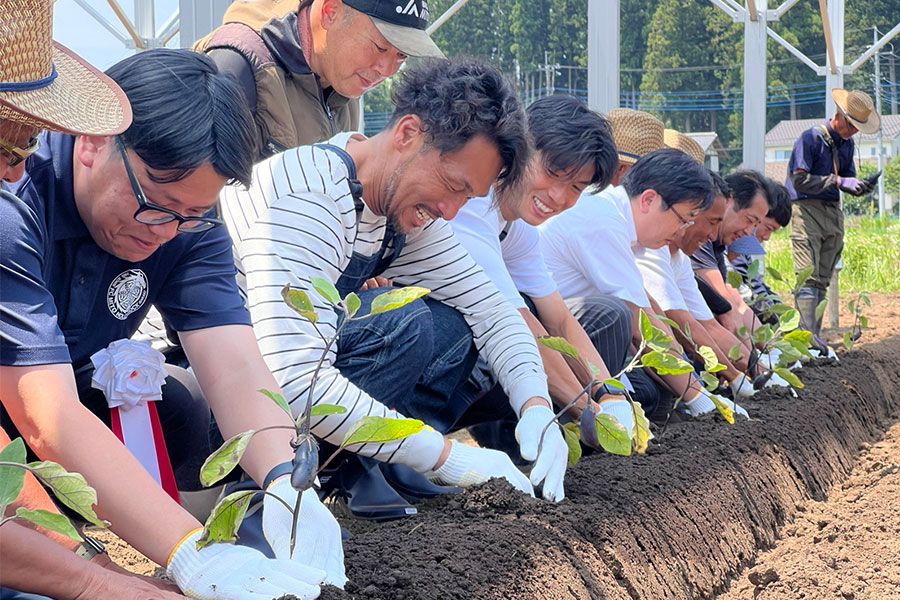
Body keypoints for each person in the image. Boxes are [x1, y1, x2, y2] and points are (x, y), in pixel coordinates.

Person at [0, 42, 339, 598]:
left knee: (182, 407)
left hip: (67, 388)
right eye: (155, 203)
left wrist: (285, 483)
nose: (164, 230)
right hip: (25, 404)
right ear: (92, 141)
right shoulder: (15, 197)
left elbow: (233, 363)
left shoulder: (186, 223)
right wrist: (189, 552)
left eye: (192, 213)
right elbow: (47, 416)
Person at [220, 57, 571, 504]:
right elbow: (293, 376)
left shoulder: (403, 215)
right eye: (453, 183)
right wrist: (445, 456)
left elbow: (492, 311)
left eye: (468, 196)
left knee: (453, 326)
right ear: (408, 134)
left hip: (282, 389)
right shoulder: (310, 195)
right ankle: (261, 492)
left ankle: (353, 467)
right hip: (216, 405)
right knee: (403, 323)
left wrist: (536, 408)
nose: (451, 210)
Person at [447, 94, 643, 445]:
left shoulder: (518, 229)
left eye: (576, 187)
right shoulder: (472, 206)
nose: (557, 196)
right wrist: (588, 411)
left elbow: (559, 319)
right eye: (552, 173)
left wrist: (611, 391)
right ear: (520, 147)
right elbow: (520, 323)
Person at [540, 148, 748, 419]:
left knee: (649, 392)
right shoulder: (601, 219)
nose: (681, 231)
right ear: (649, 200)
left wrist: (696, 388)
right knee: (612, 314)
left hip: (568, 341)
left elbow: (650, 308)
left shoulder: (625, 228)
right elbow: (642, 322)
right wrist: (698, 397)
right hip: (542, 346)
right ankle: (577, 421)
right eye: (683, 219)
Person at [195, 0, 443, 157]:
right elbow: (199, 215)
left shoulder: (343, 76)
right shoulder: (236, 67)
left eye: (401, 55)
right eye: (379, 47)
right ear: (330, 12)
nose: (387, 70)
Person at [635, 169, 759, 400]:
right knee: (649, 393)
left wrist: (756, 372)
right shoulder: (654, 247)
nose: (713, 236)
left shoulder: (680, 258)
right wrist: (731, 377)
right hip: (625, 353)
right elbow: (679, 320)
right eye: (711, 223)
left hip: (662, 352)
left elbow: (707, 326)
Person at [786, 88, 881, 335]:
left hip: (832, 212)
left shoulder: (846, 145)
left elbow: (847, 180)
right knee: (807, 275)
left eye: (857, 128)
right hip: (806, 211)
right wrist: (838, 182)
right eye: (851, 125)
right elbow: (799, 180)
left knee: (822, 278)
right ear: (839, 115)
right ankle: (805, 340)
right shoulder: (811, 138)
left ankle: (813, 337)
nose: (853, 132)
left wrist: (861, 186)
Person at [690, 170, 772, 343]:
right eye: (749, 220)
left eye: (756, 225)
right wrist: (754, 363)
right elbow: (727, 311)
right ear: (729, 202)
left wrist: (773, 349)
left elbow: (738, 306)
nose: (749, 232)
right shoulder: (700, 240)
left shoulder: (718, 246)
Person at [727, 181, 792, 324]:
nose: (766, 237)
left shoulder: (742, 245)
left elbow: (759, 287)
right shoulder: (732, 241)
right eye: (768, 228)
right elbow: (750, 295)